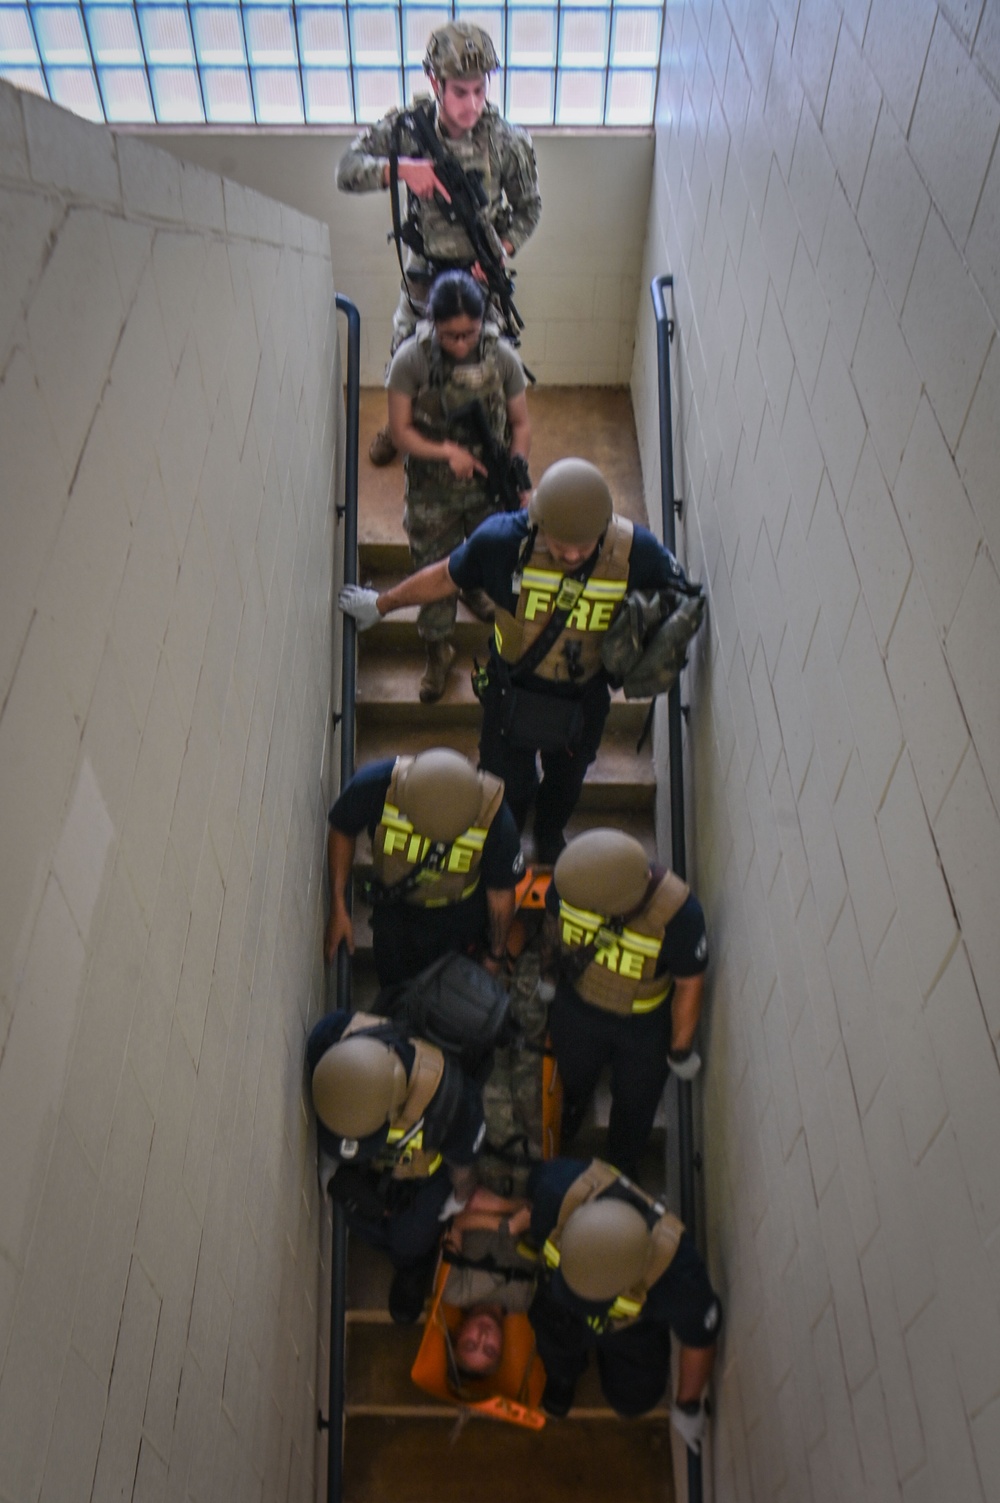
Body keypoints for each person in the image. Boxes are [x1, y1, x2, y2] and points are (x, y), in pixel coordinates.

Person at [339, 458, 696, 862]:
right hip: (511, 688)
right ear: (538, 523)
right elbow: (446, 576)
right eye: (561, 543)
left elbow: (680, 598)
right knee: (505, 782)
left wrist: (650, 641)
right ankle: (507, 840)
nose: (573, 553)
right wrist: (383, 604)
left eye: (584, 545)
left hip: (585, 695)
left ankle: (548, 834)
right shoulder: (503, 542)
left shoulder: (634, 551)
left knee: (566, 782)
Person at [337, 20, 541, 465]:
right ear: (434, 82)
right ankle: (399, 426)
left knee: (488, 360)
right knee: (405, 355)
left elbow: (529, 209)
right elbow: (346, 170)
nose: (472, 104)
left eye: (480, 90)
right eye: (460, 92)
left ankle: (494, 439)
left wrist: (502, 251)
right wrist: (400, 169)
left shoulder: (508, 142)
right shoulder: (408, 130)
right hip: (424, 274)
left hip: (479, 276)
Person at [387, 268, 532, 702]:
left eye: (469, 333)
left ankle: (473, 588)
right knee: (432, 564)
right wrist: (446, 452)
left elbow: (520, 424)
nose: (461, 343)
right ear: (433, 324)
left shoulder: (501, 357)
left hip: (489, 485)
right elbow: (400, 432)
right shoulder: (412, 360)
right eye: (450, 335)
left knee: (495, 556)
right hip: (433, 490)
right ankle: (438, 648)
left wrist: (519, 472)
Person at [542, 828, 709, 1179]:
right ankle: (572, 1112)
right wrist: (550, 976)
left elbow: (689, 983)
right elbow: (553, 927)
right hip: (577, 1007)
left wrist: (679, 1050)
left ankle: (622, 1164)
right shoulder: (571, 880)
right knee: (573, 1073)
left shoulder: (678, 914)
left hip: (643, 1028)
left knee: (636, 1102)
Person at [307, 1009, 486, 1322]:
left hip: (428, 1173)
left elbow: (464, 1174)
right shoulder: (329, 1039)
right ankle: (396, 1241)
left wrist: (456, 1201)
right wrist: (333, 1162)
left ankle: (410, 1262)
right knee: (352, 1205)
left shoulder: (456, 1106)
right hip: (375, 1160)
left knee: (407, 1240)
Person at [526, 1156, 721, 1442]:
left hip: (631, 1324)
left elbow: (700, 1341)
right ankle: (563, 1374)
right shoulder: (557, 1189)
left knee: (634, 1401)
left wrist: (687, 1405)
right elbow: (530, 1206)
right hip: (561, 1308)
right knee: (552, 1330)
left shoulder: (679, 1278)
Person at [324, 747, 524, 987]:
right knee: (394, 984)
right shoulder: (378, 785)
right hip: (396, 911)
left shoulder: (494, 815)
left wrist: (495, 954)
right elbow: (343, 827)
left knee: (451, 991)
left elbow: (500, 892)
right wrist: (338, 906)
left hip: (458, 919)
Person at [439, 1186, 535, 1380]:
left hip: (486, 1181)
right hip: (533, 1192)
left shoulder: (454, 1293)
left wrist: (507, 1224)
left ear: (458, 1333)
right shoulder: (525, 1302)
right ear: (501, 1345)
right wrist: (516, 1207)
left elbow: (454, 1223)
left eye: (471, 1344)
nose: (483, 1336)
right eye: (490, 1349)